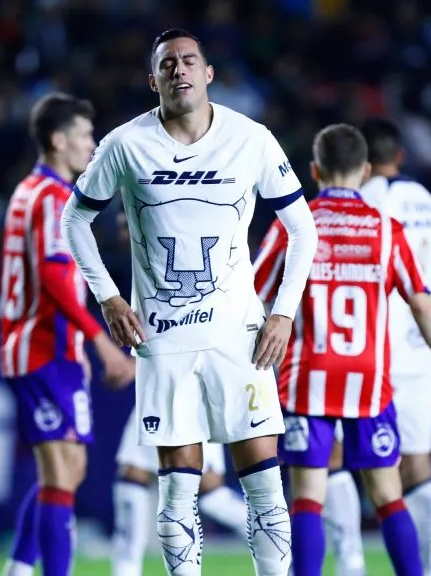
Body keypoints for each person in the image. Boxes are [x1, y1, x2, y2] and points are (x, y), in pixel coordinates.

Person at [61, 29, 317, 576]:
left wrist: (283, 312)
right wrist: (107, 295)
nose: (179, 70)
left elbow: (304, 230)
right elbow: (74, 218)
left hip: (239, 337)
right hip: (163, 340)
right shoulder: (125, 144)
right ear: (151, 79)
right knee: (179, 498)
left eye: (189, 60)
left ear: (208, 73)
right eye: (167, 64)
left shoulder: (251, 139)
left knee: (266, 489)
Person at [252, 123, 431, 576]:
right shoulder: (386, 231)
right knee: (389, 496)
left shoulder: (296, 224)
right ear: (365, 170)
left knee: (308, 498)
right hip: (368, 378)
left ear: (314, 170)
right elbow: (421, 301)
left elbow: (253, 292)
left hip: (308, 373)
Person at [0, 93, 135, 576]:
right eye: (83, 135)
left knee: (68, 471)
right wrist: (100, 341)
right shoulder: (51, 197)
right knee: (59, 472)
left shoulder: (31, 191)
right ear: (58, 141)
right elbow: (55, 280)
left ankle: (18, 568)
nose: (91, 145)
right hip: (41, 348)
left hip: (55, 349)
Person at [318, 117, 431, 576]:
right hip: (418, 350)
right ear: (402, 155)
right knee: (416, 466)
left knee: (329, 458)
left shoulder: (365, 198)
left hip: (365, 350)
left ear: (362, 164)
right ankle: (428, 568)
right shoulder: (426, 200)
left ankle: (350, 559)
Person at [112, 407, 249, 576]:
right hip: (152, 398)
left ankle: (276, 542)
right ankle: (126, 569)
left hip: (193, 402)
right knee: (133, 473)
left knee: (209, 489)